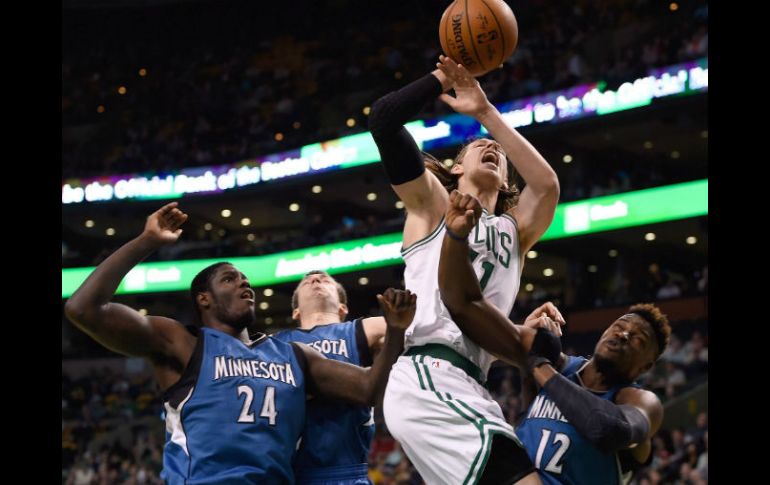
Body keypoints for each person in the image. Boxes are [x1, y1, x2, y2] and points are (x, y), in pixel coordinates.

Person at [64, 202, 416, 485]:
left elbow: (369, 388)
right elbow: (83, 309)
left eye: (246, 280)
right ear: (203, 299)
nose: (244, 284)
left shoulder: (292, 353)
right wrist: (146, 242)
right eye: (229, 279)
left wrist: (396, 331)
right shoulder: (183, 342)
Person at [368, 54, 560, 484]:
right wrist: (445, 77)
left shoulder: (515, 231)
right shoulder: (432, 204)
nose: (492, 148)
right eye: (479, 147)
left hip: (471, 382)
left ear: (507, 182)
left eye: (499, 153)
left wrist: (486, 114)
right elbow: (383, 120)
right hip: (428, 373)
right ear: (456, 169)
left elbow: (546, 185)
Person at [437, 191, 670, 485]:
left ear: (646, 366)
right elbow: (465, 304)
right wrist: (455, 237)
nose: (624, 334)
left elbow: (607, 430)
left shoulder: (641, 402)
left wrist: (536, 364)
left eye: (639, 339)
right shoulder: (559, 365)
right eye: (620, 326)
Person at [271, 270, 388, 484]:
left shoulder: (360, 329)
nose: (316, 280)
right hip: (293, 473)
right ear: (296, 312)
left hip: (350, 470)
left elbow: (416, 326)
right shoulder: (275, 342)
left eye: (326, 280)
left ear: (343, 308)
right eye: (307, 282)